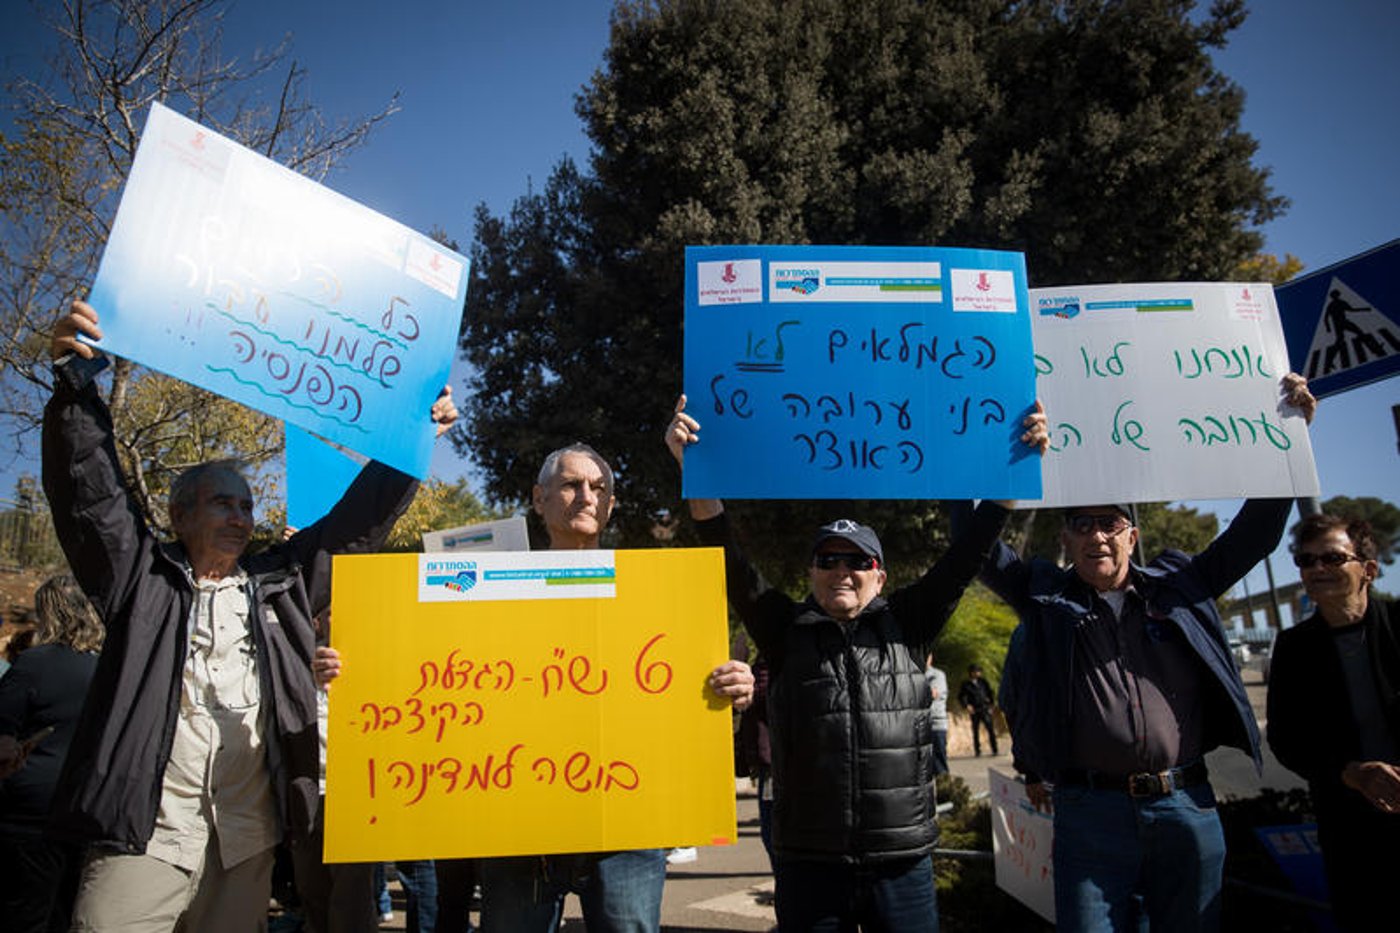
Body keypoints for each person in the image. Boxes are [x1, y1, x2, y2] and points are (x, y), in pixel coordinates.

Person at [42, 299, 458, 932]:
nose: (240, 516)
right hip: (144, 836)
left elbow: (354, 526)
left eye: (246, 505)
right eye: (221, 504)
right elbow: (93, 495)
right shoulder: (143, 581)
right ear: (181, 516)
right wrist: (75, 386)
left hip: (246, 841)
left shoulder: (280, 583)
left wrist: (413, 437)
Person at [667, 393, 1048, 932]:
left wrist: (1016, 468)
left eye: (858, 561)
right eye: (829, 559)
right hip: (808, 864)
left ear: (880, 576)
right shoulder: (782, 628)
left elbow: (969, 555)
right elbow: (726, 554)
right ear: (812, 571)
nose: (842, 570)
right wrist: (695, 468)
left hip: (904, 862)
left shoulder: (910, 623)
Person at [988, 372, 1316, 932]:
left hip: (1187, 807)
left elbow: (1255, 535)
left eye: (1111, 524)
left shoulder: (1182, 584)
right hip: (1089, 815)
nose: (1098, 536)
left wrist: (1289, 437)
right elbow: (978, 551)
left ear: (1132, 537)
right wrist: (996, 466)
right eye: (1082, 525)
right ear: (1064, 541)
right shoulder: (1044, 598)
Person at [453, 441, 754, 933]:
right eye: (571, 484)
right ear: (538, 498)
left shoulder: (656, 592)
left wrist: (731, 686)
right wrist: (351, 672)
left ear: (611, 505)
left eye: (599, 488)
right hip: (518, 819)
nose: (586, 496)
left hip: (628, 825)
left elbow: (683, 685)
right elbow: (441, 675)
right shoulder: (489, 588)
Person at [1266, 514, 1398, 932]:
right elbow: (1286, 738)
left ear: (1369, 570)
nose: (1317, 569)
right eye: (1306, 561)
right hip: (1349, 830)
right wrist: (1351, 773)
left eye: (1332, 558)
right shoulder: (1294, 648)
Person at [0, 575, 105, 932]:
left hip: (29, 812)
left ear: (48, 613)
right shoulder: (108, 670)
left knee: (24, 916)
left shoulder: (33, 664)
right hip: (87, 809)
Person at [958, 664, 998, 757]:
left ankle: (994, 749)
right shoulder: (966, 684)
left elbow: (990, 693)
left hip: (985, 708)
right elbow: (962, 696)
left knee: (990, 729)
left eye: (979, 671)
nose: (978, 673)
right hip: (974, 710)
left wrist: (991, 705)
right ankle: (977, 750)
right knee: (975, 731)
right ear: (971, 672)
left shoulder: (983, 682)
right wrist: (967, 705)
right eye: (976, 671)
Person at [924, 655, 950, 776]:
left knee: (939, 764)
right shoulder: (912, 673)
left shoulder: (937, 675)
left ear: (931, 657)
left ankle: (945, 792)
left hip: (936, 724)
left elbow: (933, 694)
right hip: (920, 726)